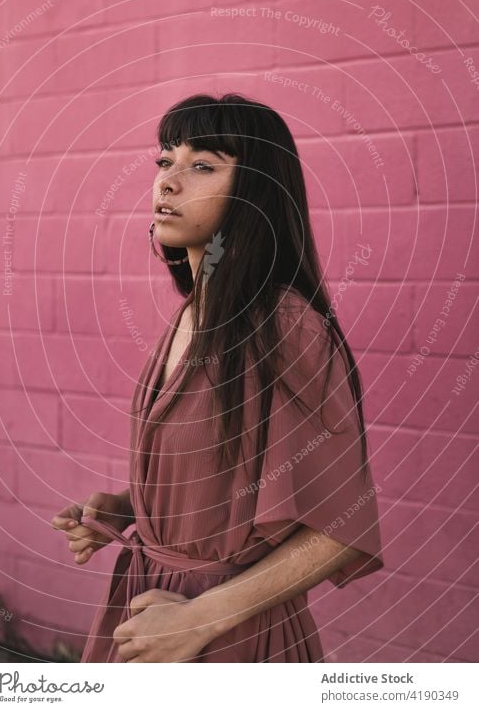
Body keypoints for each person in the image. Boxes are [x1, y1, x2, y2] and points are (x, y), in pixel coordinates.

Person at [51, 92, 384, 662]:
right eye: (164, 161)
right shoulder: (194, 313)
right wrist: (134, 507)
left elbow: (340, 526)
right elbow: (234, 477)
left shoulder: (283, 325)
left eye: (202, 165)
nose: (168, 182)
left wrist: (202, 618)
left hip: (227, 636)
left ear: (255, 194)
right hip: (153, 620)